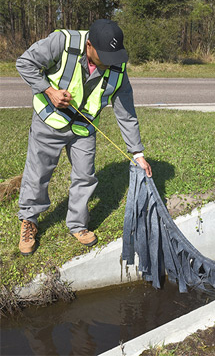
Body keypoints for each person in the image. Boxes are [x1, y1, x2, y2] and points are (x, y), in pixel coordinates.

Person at [16, 19, 152, 256]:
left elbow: (126, 113)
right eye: (105, 58)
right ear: (89, 45)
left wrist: (137, 153)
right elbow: (25, 63)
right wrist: (49, 91)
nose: (111, 65)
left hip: (84, 129)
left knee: (85, 176)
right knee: (37, 174)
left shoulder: (117, 65)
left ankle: (77, 225)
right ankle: (29, 220)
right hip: (49, 119)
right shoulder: (63, 42)